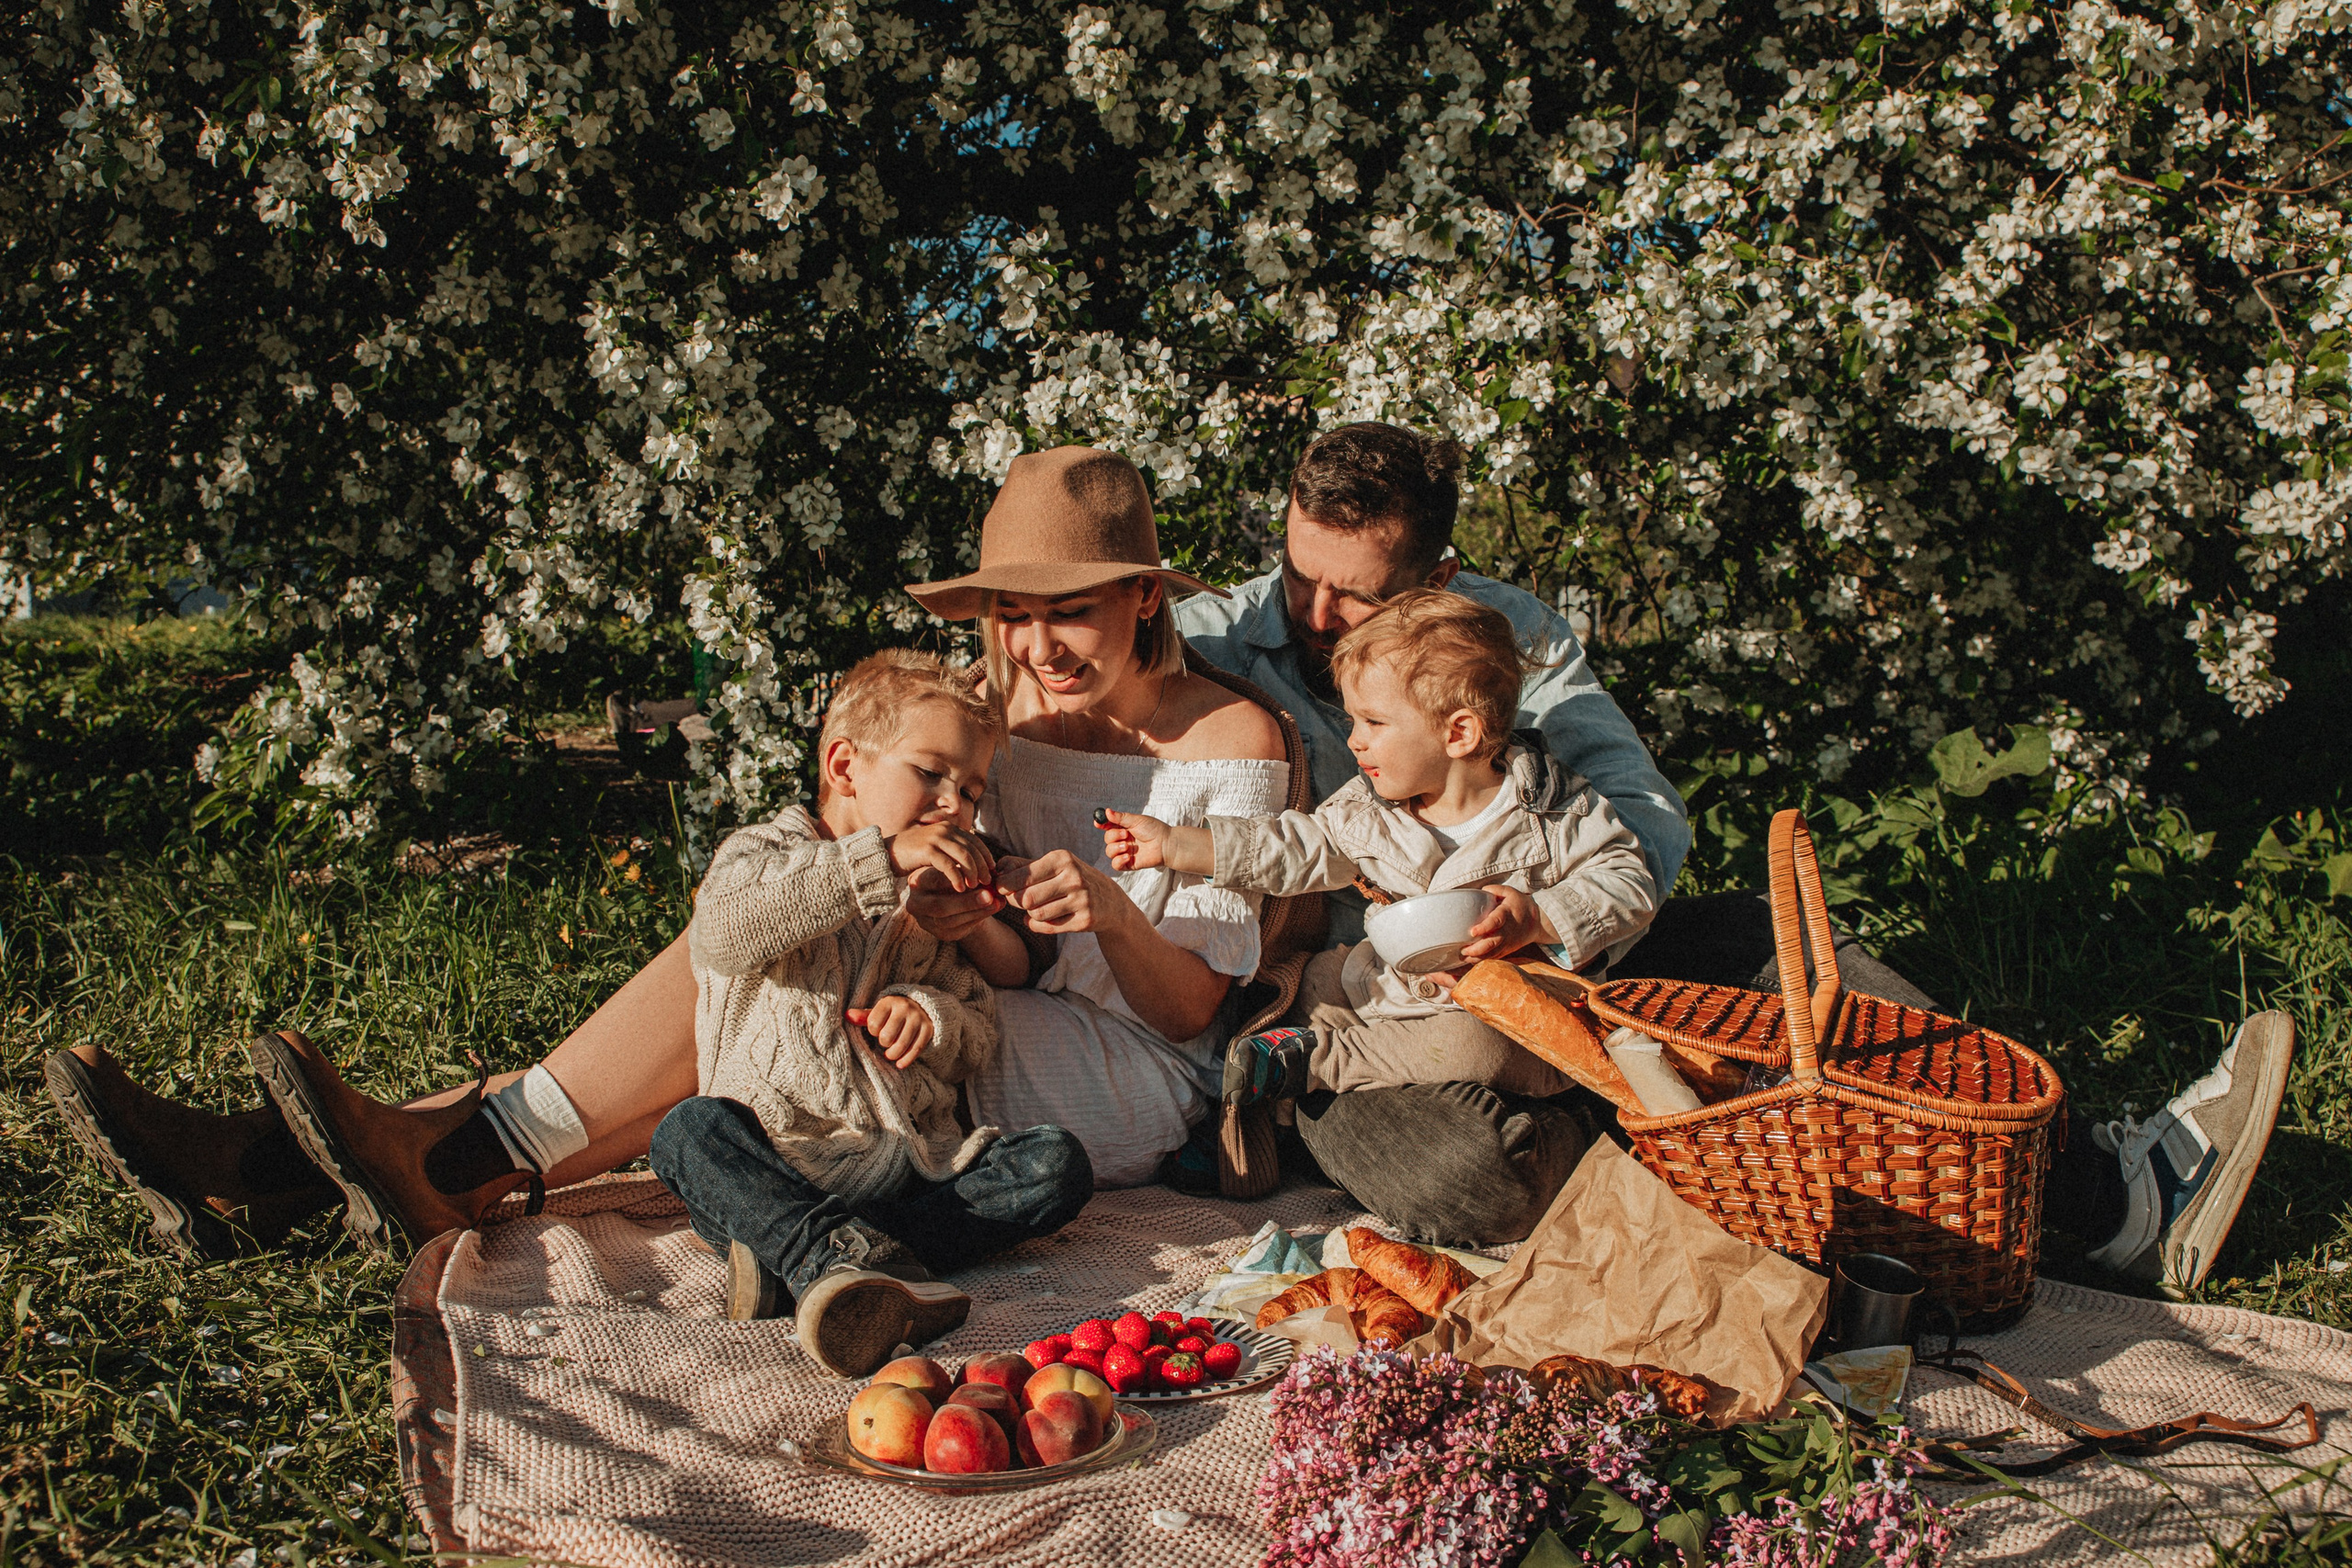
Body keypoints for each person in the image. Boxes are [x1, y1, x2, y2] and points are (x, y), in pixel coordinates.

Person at [45, 427, 2295, 1293]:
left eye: (1365, 597)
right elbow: (947, 812)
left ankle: (2082, 1162)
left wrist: (1526, 882)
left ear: (1433, 582)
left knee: (1747, 960)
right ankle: (417, 1146)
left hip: (1473, 909)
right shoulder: (1150, 662)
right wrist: (928, 837)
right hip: (1267, 981)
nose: (1318, 625)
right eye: (1293, 592)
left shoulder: (1484, 661)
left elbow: (1642, 825)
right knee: (774, 928)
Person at [639, 649, 1090, 1376]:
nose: (954, 805)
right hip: (776, 1160)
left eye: (971, 791)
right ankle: (826, 1254)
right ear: (845, 766)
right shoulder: (767, 850)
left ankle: (826, 1262)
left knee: (1055, 1165)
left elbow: (979, 1028)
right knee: (688, 1132)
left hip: (904, 1173)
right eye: (930, 773)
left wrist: (928, 1016)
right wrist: (878, 857)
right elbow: (724, 930)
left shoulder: (932, 908)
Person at [1101, 588, 1657, 1106]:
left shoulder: (1555, 811)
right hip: (1392, 990)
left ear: (1458, 733)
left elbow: (1628, 883)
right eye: (1352, 719)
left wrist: (1538, 918)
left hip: (1512, 1019)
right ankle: (1264, 1088)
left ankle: (1317, 1065)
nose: (1354, 739)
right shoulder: (1371, 809)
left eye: (1373, 722)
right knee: (1314, 978)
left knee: (1476, 1051)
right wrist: (1177, 845)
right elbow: (1296, 847)